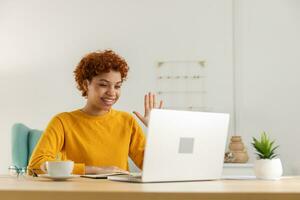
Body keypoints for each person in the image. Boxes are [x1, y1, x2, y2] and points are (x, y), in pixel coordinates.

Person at [28, 50, 163, 175]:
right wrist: (95, 170)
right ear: (86, 85)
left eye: (117, 86)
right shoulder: (63, 121)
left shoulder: (127, 121)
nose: (112, 92)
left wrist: (157, 130)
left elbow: (155, 167)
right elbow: (35, 166)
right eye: (103, 85)